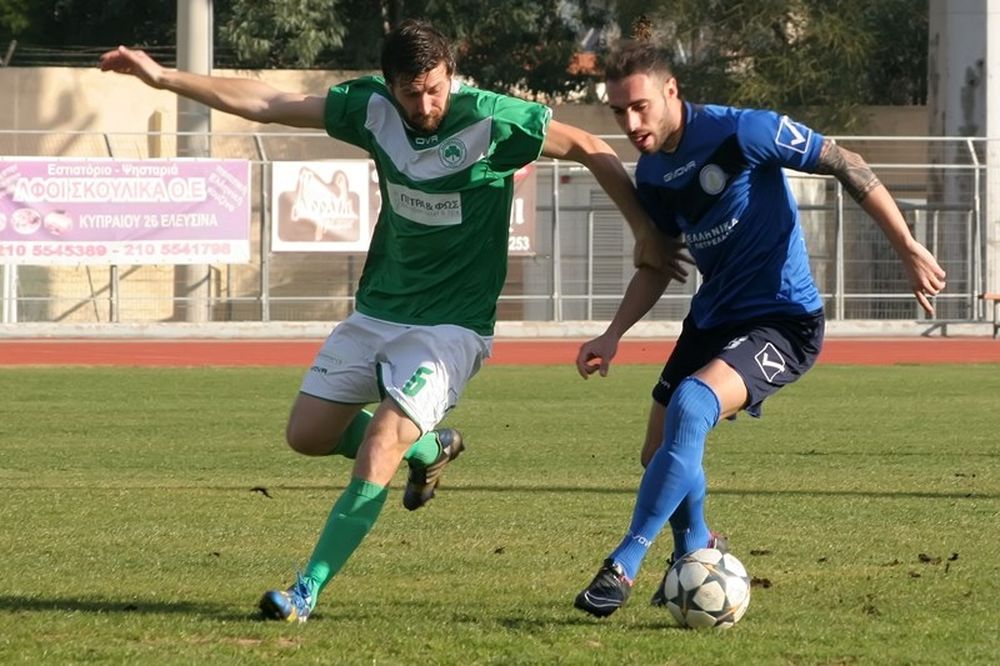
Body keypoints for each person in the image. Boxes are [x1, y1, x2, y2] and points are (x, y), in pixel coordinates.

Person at [99, 19, 688, 623]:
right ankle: (430, 449)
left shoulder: (492, 118)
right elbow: (270, 102)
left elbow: (590, 147)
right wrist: (163, 76)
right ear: (390, 86)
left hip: (452, 327)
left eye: (435, 88)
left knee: (381, 438)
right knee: (307, 434)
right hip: (380, 308)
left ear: (450, 76)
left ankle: (305, 591)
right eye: (412, 93)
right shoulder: (370, 109)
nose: (426, 104)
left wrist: (645, 232)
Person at [572, 38, 947, 618]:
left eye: (640, 106)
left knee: (693, 405)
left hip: (784, 319)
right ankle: (697, 547)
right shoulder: (652, 175)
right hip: (713, 315)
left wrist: (906, 246)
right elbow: (659, 263)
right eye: (619, 111)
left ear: (671, 91)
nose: (631, 121)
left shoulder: (743, 132)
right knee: (657, 454)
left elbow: (847, 162)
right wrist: (613, 332)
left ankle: (624, 563)